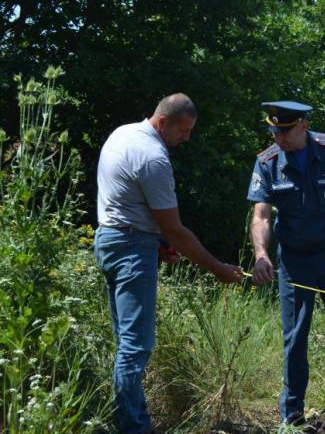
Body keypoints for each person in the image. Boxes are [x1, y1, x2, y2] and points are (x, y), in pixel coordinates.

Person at [93, 93, 244, 434]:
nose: (186, 138)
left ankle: (129, 419)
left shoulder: (122, 133)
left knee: (126, 342)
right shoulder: (153, 158)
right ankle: (133, 427)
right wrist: (218, 268)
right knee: (135, 346)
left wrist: (158, 242)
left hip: (109, 240)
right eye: (183, 130)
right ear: (163, 122)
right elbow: (175, 229)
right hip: (131, 250)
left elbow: (127, 203)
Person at [247, 101, 325, 433]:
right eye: (274, 132)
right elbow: (261, 215)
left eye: (285, 131)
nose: (279, 138)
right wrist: (261, 254)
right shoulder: (268, 162)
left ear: (303, 125)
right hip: (295, 261)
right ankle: (291, 416)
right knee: (295, 337)